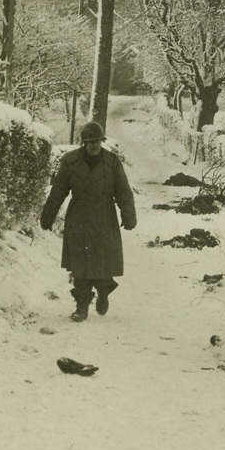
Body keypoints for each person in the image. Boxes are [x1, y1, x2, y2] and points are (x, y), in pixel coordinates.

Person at [40, 120, 137, 321]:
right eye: (90, 141)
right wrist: (48, 215)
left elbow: (123, 191)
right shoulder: (70, 161)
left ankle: (103, 292)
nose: (94, 145)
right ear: (83, 142)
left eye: (97, 141)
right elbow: (58, 191)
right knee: (80, 265)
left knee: (102, 264)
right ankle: (81, 307)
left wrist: (128, 215)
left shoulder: (112, 162)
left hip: (104, 217)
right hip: (79, 218)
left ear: (102, 141)